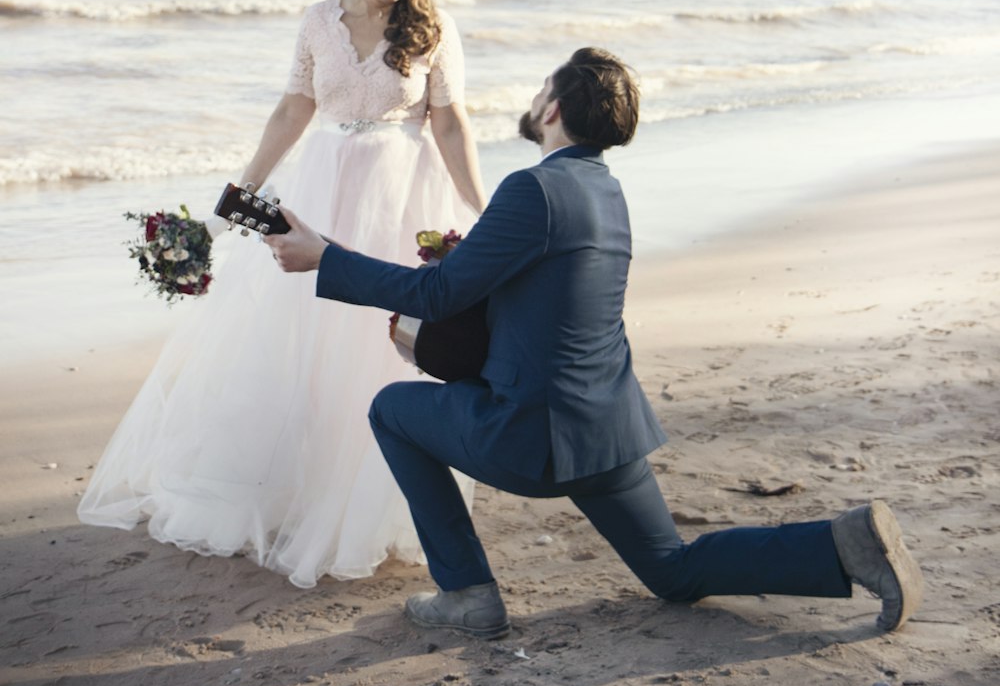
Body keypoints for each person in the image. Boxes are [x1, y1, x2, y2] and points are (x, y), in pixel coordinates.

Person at [266, 47, 924, 637]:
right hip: (609, 433)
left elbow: (440, 297)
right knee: (673, 571)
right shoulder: (606, 191)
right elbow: (542, 306)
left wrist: (325, 256)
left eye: (539, 89)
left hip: (537, 442)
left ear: (551, 108)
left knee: (391, 409)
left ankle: (467, 592)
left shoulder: (534, 188)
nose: (531, 101)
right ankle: (843, 544)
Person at [79, 0, 487, 588]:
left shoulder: (434, 28)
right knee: (296, 340)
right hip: (323, 190)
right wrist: (235, 197)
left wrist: (484, 208)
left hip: (396, 196)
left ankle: (361, 501)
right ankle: (291, 492)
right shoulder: (317, 21)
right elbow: (293, 111)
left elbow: (449, 126)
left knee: (371, 346)